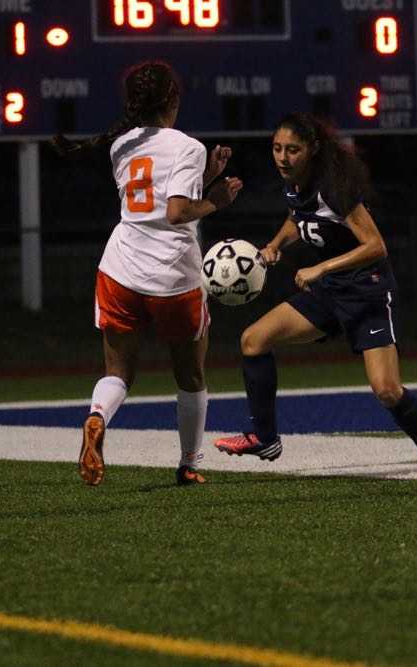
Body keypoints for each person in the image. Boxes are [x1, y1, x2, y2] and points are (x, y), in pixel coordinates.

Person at [213, 112, 417, 468]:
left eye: (292, 150)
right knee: (253, 340)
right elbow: (296, 217)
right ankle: (265, 438)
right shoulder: (294, 185)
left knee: (387, 390)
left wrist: (320, 267)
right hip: (329, 293)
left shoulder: (335, 188)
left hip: (368, 294)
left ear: (313, 149)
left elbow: (376, 246)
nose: (283, 157)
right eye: (277, 148)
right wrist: (274, 246)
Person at [52, 61, 243, 486]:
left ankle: (97, 416)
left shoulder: (120, 146)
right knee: (190, 376)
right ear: (174, 99)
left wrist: (205, 175)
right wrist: (216, 200)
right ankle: (190, 464)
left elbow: (154, 196)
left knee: (117, 373)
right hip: (172, 276)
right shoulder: (187, 146)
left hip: (120, 269)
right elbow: (176, 212)